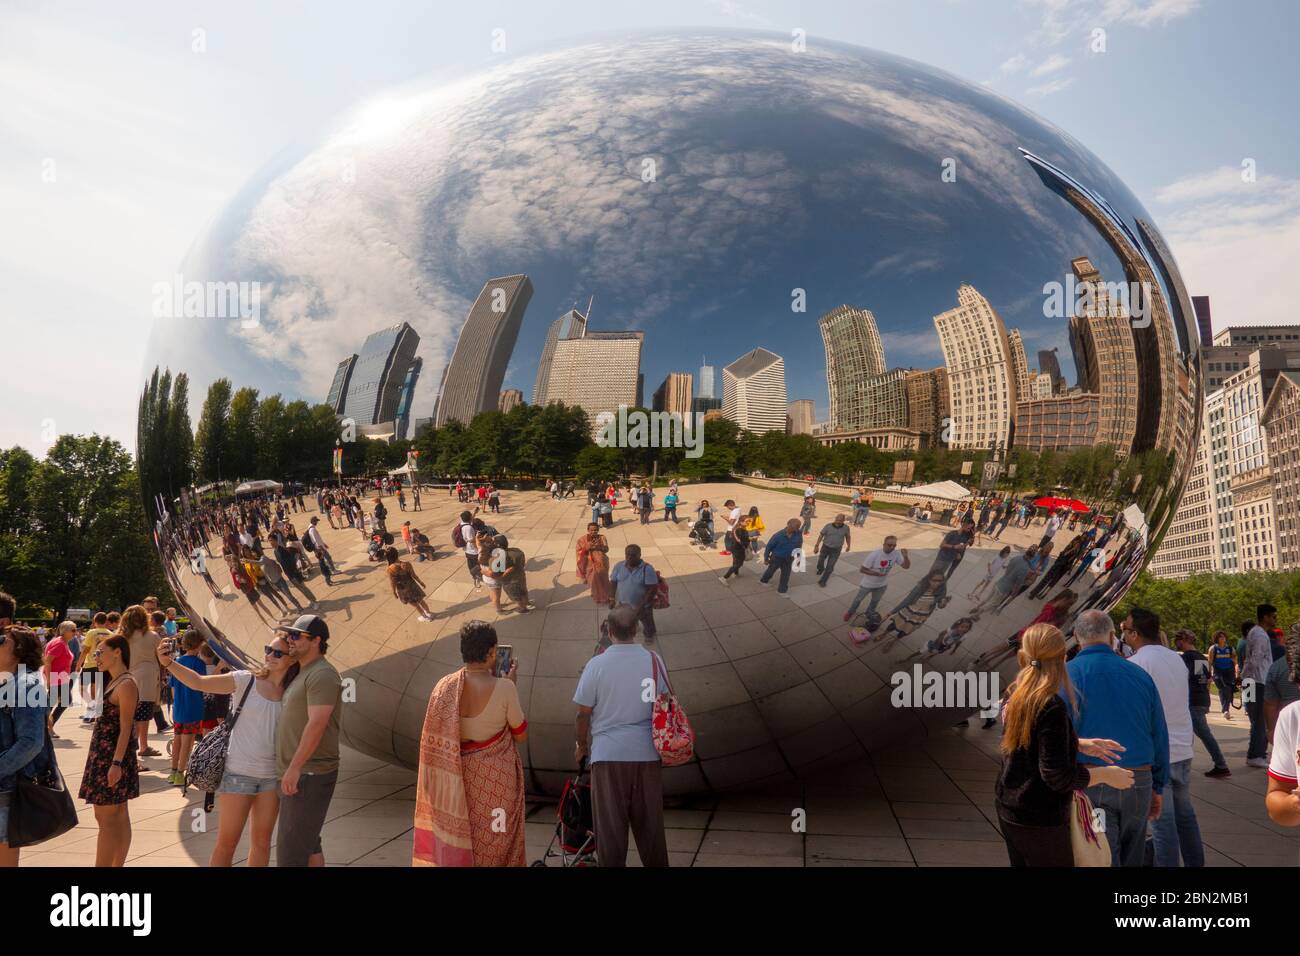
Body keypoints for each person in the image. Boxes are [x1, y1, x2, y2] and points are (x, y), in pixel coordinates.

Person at [995, 623, 1133, 866]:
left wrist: (1077, 743)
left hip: (1010, 805)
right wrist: (1106, 775)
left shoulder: (1017, 693)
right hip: (1039, 816)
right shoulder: (1049, 704)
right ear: (1062, 656)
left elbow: (1027, 743)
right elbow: (1056, 776)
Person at [162, 632, 297, 866]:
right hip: (238, 774)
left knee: (262, 843)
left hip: (272, 778)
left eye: (277, 653)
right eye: (267, 649)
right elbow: (198, 682)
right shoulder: (246, 680)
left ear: (292, 659)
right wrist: (168, 663)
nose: (269, 656)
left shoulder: (294, 692)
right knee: (227, 843)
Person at [414, 621, 527, 866]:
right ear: (492, 652)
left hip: (456, 780)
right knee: (498, 835)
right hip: (494, 780)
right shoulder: (505, 687)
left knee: (467, 837)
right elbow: (520, 734)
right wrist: (511, 685)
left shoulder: (444, 687)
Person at [1066, 610, 1168, 867]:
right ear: (1112, 636)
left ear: (1077, 637)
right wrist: (1157, 785)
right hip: (1137, 781)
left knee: (1100, 854)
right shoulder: (1140, 676)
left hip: (1092, 783)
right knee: (1133, 853)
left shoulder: (1066, 675)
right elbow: (1158, 733)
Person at [572, 604, 670, 867]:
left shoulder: (596, 666)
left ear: (608, 630)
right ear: (636, 629)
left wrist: (582, 746)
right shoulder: (654, 660)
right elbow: (665, 703)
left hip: (607, 757)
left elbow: (583, 714)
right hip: (647, 755)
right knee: (652, 835)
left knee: (611, 838)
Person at [1124, 610, 1204, 867]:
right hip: (1183, 747)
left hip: (1159, 752)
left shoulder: (1138, 664)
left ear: (1134, 634)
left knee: (1161, 821)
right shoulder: (1175, 659)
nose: (1123, 633)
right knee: (1185, 815)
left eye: (1125, 629)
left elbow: (1136, 713)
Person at [275, 615, 343, 867]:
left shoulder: (323, 674)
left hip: (309, 774)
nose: (289, 641)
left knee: (290, 855)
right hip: (300, 773)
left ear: (316, 641)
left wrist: (295, 768)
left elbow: (317, 723)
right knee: (309, 844)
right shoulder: (305, 671)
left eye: (295, 636)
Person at [79, 634, 139, 867]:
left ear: (117, 652)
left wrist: (116, 764)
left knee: (107, 820)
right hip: (104, 756)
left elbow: (127, 729)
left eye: (100, 652)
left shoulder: (126, 684)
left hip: (110, 758)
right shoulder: (113, 680)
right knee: (117, 816)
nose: (96, 657)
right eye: (95, 653)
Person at [0, 624, 58, 868]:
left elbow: (31, 742)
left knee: (4, 855)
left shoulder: (26, 685)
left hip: (6, 786)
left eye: (3, 640)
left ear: (19, 650)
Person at [1172, 630, 1230, 778]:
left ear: (1184, 640)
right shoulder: (1199, 657)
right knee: (1198, 733)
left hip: (1193, 701)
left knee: (1204, 734)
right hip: (1202, 699)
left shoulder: (1186, 658)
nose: (1176, 642)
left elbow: (1184, 679)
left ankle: (1221, 764)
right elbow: (1203, 679)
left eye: (1178, 639)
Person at [165, 631, 208, 787]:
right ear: (199, 645)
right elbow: (203, 684)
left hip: (179, 708)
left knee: (177, 739)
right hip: (193, 707)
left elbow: (172, 687)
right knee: (188, 742)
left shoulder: (177, 661)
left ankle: (173, 771)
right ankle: (181, 773)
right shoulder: (198, 663)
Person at [119, 606, 162, 759]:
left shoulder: (121, 637)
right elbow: (162, 658)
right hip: (147, 679)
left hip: (125, 679)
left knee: (128, 718)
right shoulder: (153, 636)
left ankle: (133, 750)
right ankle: (138, 750)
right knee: (143, 717)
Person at [843, 535, 909, 622]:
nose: (892, 547)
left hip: (882, 584)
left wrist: (905, 557)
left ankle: (869, 613)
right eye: (889, 545)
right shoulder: (875, 554)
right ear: (884, 544)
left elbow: (906, 566)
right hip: (868, 584)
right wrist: (875, 573)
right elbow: (862, 570)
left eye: (894, 545)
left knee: (875, 601)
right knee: (858, 599)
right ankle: (850, 612)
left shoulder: (896, 554)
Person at [1243, 604, 1276, 768]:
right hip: (1258, 681)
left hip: (1250, 681)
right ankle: (1256, 754)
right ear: (1265, 617)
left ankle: (1255, 752)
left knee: (1255, 719)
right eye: (1273, 616)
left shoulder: (1254, 632)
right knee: (1260, 720)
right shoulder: (1261, 636)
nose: (1274, 619)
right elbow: (1255, 660)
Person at [609, 544, 659, 641]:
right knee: (627, 620)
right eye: (627, 555)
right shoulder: (619, 566)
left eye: (633, 555)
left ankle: (649, 634)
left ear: (640, 555)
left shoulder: (647, 569)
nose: (630, 557)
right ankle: (634, 627)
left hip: (642, 605)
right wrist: (611, 598)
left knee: (647, 621)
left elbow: (652, 589)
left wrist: (640, 606)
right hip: (623, 604)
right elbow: (613, 582)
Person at [386, 548, 436, 622]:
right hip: (412, 585)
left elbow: (392, 582)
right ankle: (429, 613)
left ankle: (425, 617)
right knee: (421, 600)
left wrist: (394, 592)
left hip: (402, 589)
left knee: (415, 604)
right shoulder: (406, 564)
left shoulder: (390, 569)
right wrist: (421, 583)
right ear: (397, 554)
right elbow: (414, 576)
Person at [43, 621, 75, 737]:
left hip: (61, 678)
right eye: (73, 630)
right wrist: (49, 679)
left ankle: (46, 727)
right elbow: (47, 660)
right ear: (65, 631)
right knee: (58, 703)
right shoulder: (60, 643)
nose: (75, 633)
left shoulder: (60, 642)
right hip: (57, 678)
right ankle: (47, 728)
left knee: (52, 704)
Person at [760, 519, 803, 595]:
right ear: (788, 524)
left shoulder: (798, 533)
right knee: (771, 570)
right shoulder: (778, 535)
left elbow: (799, 546)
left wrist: (798, 558)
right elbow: (769, 547)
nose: (797, 529)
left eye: (798, 527)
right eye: (795, 527)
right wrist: (766, 558)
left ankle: (782, 590)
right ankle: (764, 580)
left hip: (789, 558)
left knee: (786, 574)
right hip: (776, 558)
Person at [494, 535, 534, 612]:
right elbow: (522, 563)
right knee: (523, 591)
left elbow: (497, 573)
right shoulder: (517, 551)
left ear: (498, 545)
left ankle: (523, 609)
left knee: (516, 596)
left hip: (509, 581)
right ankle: (527, 603)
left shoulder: (499, 557)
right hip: (521, 576)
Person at [576, 523, 612, 604]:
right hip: (589, 563)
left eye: (595, 530)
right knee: (593, 580)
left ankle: (605, 596)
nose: (594, 532)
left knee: (603, 579)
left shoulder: (602, 537)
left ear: (598, 530)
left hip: (602, 562)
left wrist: (600, 547)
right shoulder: (582, 539)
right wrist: (587, 547)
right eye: (591, 530)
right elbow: (579, 552)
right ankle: (596, 596)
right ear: (588, 530)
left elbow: (606, 550)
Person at [812, 514, 851, 588]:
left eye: (840, 521)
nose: (838, 522)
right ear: (835, 519)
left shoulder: (846, 528)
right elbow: (821, 535)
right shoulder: (828, 526)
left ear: (843, 521)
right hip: (825, 547)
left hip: (836, 549)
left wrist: (848, 546)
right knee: (821, 560)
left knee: (830, 566)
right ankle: (820, 568)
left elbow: (848, 537)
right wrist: (816, 545)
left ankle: (823, 581)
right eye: (837, 520)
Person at [1207, 630, 1237, 718]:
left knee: (1226, 690)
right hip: (1218, 671)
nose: (1222, 638)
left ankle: (1226, 710)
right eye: (1220, 637)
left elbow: (1235, 659)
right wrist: (1209, 673)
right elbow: (1210, 661)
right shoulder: (1213, 649)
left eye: (1223, 636)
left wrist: (1236, 671)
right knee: (1223, 688)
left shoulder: (1230, 649)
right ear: (1217, 638)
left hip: (1229, 671)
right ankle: (1225, 709)